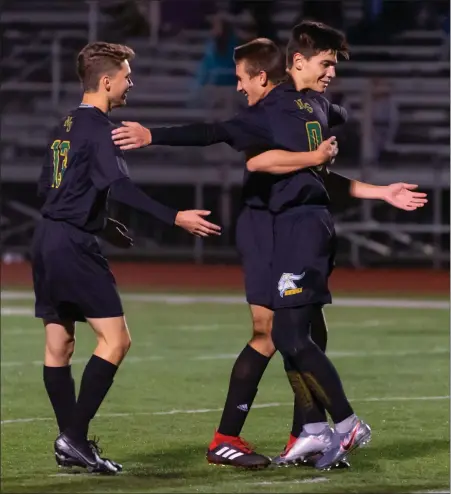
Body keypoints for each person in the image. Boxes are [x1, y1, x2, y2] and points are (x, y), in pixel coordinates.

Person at [111, 28, 427, 470]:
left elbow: (221, 137)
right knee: (283, 333)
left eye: (242, 78)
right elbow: (313, 140)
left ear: (266, 76)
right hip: (273, 227)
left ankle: (320, 428)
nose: (238, 87)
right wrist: (363, 179)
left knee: (290, 334)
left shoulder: (281, 109)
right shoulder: (310, 107)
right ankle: (302, 431)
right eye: (327, 64)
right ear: (296, 64)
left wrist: (153, 135)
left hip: (288, 229)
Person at [32, 41, 221, 474]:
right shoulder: (100, 128)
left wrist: (99, 222)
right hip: (74, 245)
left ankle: (71, 443)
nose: (131, 83)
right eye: (127, 76)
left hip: (46, 238)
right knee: (116, 341)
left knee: (58, 344)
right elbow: (122, 188)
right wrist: (175, 216)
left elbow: (49, 188)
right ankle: (74, 439)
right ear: (106, 80)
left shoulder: (63, 124)